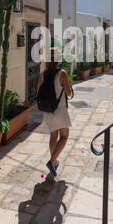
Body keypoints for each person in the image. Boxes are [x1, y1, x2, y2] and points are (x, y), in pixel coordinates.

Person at [36, 48, 72, 177]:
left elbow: (38, 90)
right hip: (60, 110)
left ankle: (54, 162)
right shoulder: (62, 73)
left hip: (48, 110)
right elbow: (68, 93)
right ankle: (52, 161)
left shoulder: (43, 73)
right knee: (64, 136)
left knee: (53, 136)